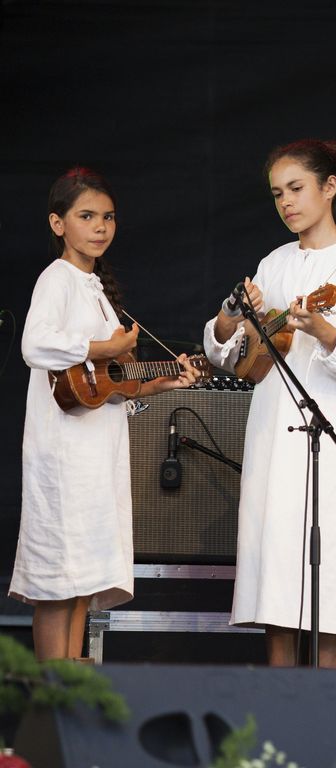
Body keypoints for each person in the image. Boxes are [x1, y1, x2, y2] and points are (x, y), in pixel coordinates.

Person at [203, 139, 336, 668]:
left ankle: (323, 711)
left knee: (326, 577)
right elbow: (238, 359)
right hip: (270, 437)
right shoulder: (273, 263)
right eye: (277, 194)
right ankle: (278, 705)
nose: (286, 202)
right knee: (277, 580)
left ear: (329, 188)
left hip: (326, 442)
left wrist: (327, 333)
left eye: (297, 188)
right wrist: (233, 318)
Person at [11, 167, 200, 661]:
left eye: (108, 217)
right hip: (64, 455)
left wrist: (162, 380)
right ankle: (55, 697)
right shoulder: (57, 278)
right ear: (58, 224)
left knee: (82, 581)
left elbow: (110, 385)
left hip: (96, 454)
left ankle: (72, 686)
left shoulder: (96, 289)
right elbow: (35, 345)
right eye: (86, 216)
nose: (100, 227)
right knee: (59, 580)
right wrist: (105, 345)